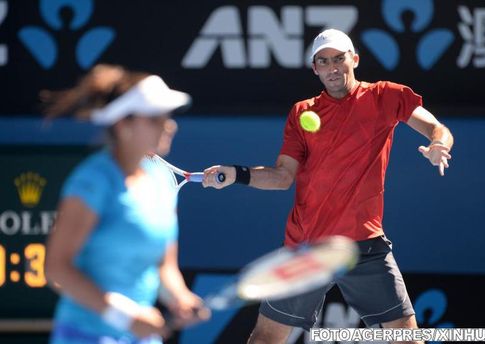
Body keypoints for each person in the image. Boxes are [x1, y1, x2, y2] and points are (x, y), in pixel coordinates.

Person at [202, 29, 454, 344]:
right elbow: (282, 177)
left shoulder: (386, 96)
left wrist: (438, 145)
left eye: (339, 59)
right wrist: (237, 173)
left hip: (364, 245)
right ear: (315, 68)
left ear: (355, 59)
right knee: (265, 338)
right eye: (324, 61)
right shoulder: (302, 113)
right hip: (307, 248)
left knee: (406, 338)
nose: (332, 67)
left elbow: (436, 127)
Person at [43, 64, 209, 344]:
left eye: (167, 115)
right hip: (85, 336)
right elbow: (57, 269)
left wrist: (179, 297)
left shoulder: (161, 182)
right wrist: (124, 316)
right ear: (123, 125)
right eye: (155, 118)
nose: (169, 124)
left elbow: (163, 266)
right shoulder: (92, 182)